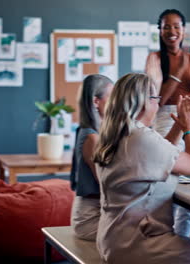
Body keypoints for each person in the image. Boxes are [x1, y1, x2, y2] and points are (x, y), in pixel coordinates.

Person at [93, 73, 190, 264]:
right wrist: (189, 127)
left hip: (113, 238)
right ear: (143, 102)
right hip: (139, 243)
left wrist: (179, 125)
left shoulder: (119, 133)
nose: (158, 104)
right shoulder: (140, 138)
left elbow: (160, 154)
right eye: (155, 98)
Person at [145, 8, 190, 237]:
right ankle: (162, 240)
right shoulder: (154, 58)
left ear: (183, 30)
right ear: (160, 31)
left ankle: (181, 242)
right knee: (166, 180)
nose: (171, 31)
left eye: (176, 26)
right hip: (165, 120)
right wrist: (179, 71)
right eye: (166, 26)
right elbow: (157, 100)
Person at [69, 74, 114, 241]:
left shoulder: (92, 131)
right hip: (89, 219)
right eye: (111, 97)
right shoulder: (92, 137)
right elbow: (105, 182)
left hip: (97, 212)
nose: (115, 102)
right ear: (96, 102)